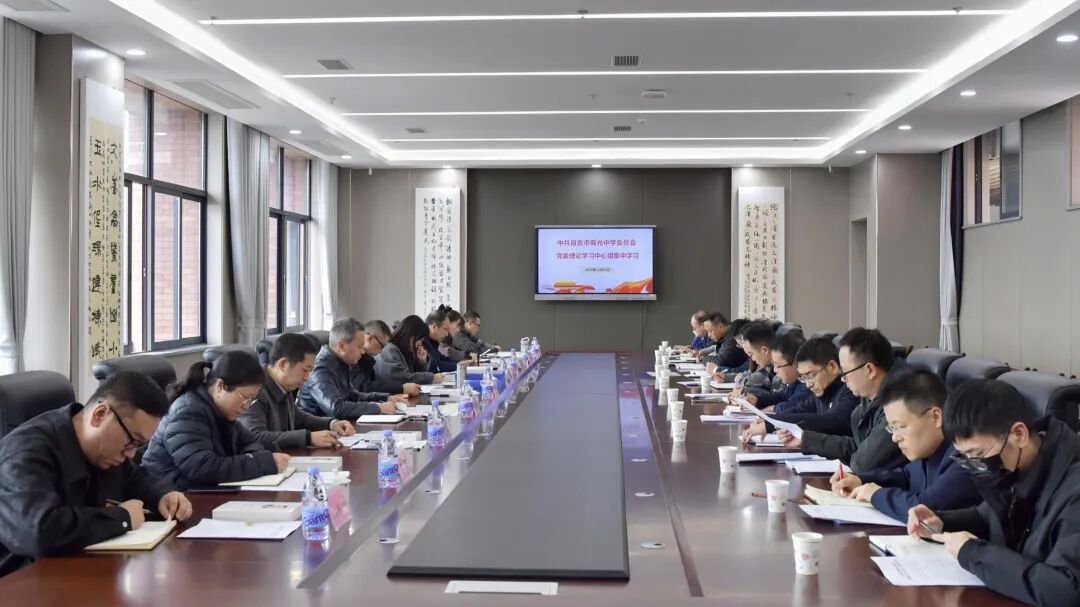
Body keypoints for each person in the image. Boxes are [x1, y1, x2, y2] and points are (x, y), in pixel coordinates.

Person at [0, 372, 192, 577]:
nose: (130, 454)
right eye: (132, 440)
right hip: (20, 581)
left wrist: (164, 494)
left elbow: (135, 478)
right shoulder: (24, 453)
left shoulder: (105, 450)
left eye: (140, 444)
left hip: (78, 572)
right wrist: (122, 518)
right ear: (100, 414)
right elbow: (38, 531)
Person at [908, 379, 1080, 606]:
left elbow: (1065, 589)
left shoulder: (1073, 489)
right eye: (964, 457)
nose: (974, 465)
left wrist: (975, 553)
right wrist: (941, 522)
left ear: (1019, 434)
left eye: (978, 454)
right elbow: (988, 516)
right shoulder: (1020, 465)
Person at [828, 369, 980, 522]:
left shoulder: (968, 456)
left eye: (900, 427)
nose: (895, 438)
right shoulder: (929, 449)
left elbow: (924, 509)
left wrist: (875, 494)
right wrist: (860, 480)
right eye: (891, 428)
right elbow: (906, 476)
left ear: (935, 417)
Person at [142, 351, 291, 490]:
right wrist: (261, 462)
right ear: (220, 386)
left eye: (251, 400)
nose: (246, 406)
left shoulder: (221, 410)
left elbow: (250, 442)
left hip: (200, 491)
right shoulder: (188, 412)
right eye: (245, 398)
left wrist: (254, 455)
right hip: (171, 494)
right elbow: (202, 468)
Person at [775, 328, 905, 474]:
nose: (843, 379)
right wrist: (806, 440)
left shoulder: (898, 403)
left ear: (869, 370)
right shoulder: (867, 400)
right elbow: (858, 448)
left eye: (846, 373)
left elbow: (862, 463)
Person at [240, 333, 356, 450]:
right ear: (283, 364)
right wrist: (308, 438)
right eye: (305, 370)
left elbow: (298, 417)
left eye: (310, 371)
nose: (307, 377)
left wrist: (331, 424)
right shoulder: (254, 390)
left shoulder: (284, 384)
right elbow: (255, 436)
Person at [741, 338, 857, 443]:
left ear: (832, 366)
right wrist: (768, 420)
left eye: (811, 375)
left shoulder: (850, 390)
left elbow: (831, 421)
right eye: (804, 377)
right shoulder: (822, 391)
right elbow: (798, 410)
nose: (808, 384)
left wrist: (770, 424)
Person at [298, 318, 402, 420]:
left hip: (338, 425)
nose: (363, 352)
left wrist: (385, 397)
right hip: (317, 428)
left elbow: (354, 396)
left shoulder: (339, 363)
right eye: (360, 346)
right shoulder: (319, 370)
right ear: (341, 346)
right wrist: (378, 408)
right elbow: (337, 408)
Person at [744, 331, 812, 413]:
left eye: (778, 365)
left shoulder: (808, 385)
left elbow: (792, 406)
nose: (775, 370)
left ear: (796, 364)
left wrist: (773, 408)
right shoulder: (796, 381)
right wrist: (757, 399)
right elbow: (782, 396)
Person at [351, 319, 421, 397]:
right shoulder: (352, 357)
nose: (381, 351)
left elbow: (371, 388)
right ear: (370, 338)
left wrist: (387, 398)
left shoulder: (367, 359)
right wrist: (401, 388)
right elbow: (363, 387)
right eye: (382, 346)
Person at [375, 315, 446, 386]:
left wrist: (421, 362)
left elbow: (413, 377)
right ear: (410, 336)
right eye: (420, 339)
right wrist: (431, 377)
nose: (420, 344)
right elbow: (402, 378)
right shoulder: (390, 350)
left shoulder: (405, 350)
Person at [422, 308, 458, 373]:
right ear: (434, 327)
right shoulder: (422, 341)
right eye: (445, 329)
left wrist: (461, 363)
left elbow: (442, 359)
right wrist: (460, 366)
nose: (447, 334)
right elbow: (436, 366)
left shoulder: (433, 341)